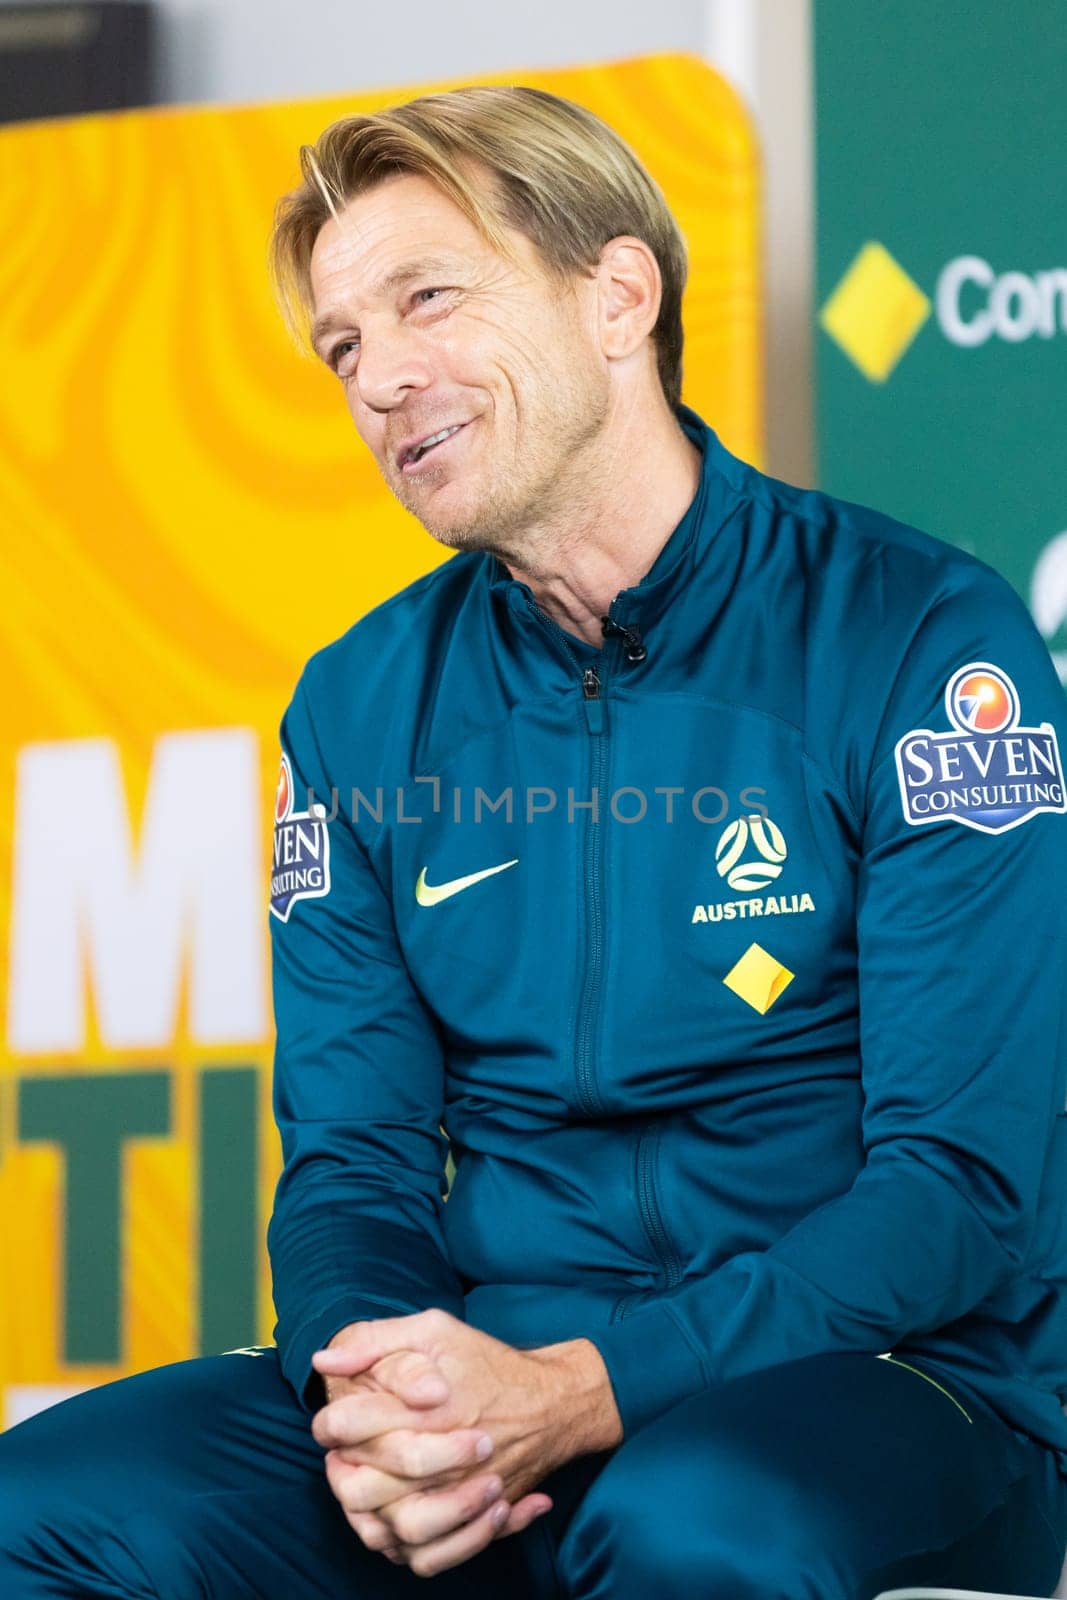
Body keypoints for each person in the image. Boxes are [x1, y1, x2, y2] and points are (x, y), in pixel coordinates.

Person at [3, 82, 1067, 1600]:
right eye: (345, 346)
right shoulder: (359, 709)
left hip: (879, 1381)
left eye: (427, 298)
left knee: (695, 1524)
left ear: (617, 294)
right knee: (39, 1508)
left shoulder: (917, 639)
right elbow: (353, 1163)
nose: (378, 380)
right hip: (488, 1401)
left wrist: (580, 1387)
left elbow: (961, 1192)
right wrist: (373, 1404)